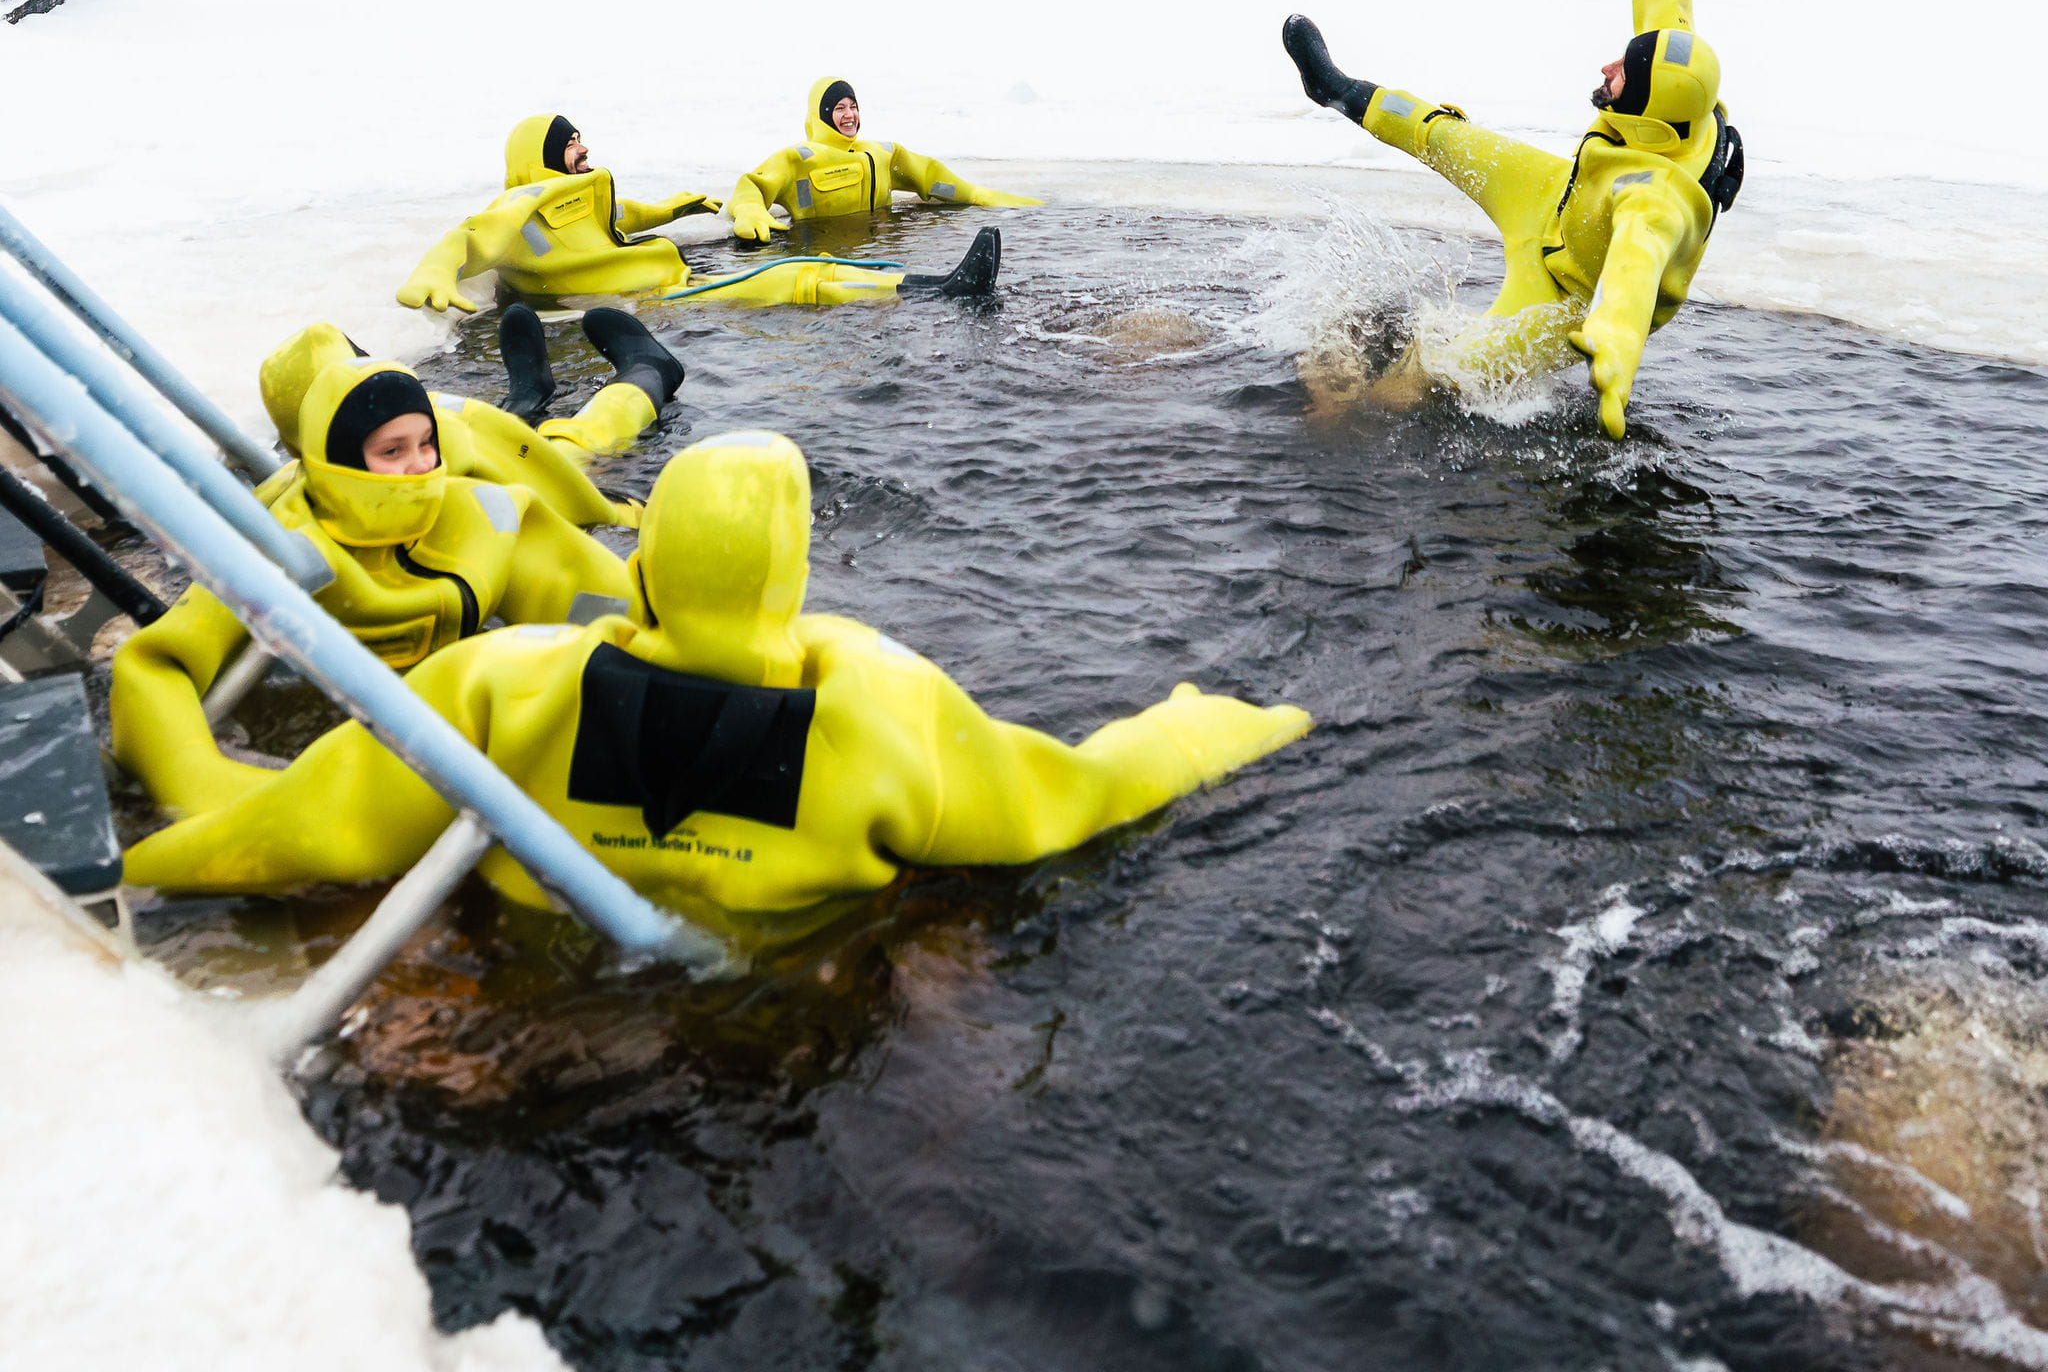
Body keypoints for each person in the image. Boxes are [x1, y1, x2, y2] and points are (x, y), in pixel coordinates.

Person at [124, 431, 1312, 928]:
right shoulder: (883, 706)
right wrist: (1212, 724)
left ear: (648, 560)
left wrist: (133, 872)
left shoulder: (501, 685)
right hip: (790, 992)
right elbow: (1078, 796)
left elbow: (307, 826)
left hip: (555, 967)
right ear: (790, 567)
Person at [1280, 0, 1743, 439]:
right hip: (1560, 195)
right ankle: (1333, 88)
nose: (1609, 67)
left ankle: (1348, 418)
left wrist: (1614, 337)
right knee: (1445, 135)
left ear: (1650, 110)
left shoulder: (1655, 204)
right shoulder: (1673, 74)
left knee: (1450, 371)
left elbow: (1633, 270)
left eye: (1622, 75)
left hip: (1566, 295)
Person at [111, 356, 644, 817]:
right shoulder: (281, 550)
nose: (418, 468)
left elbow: (607, 606)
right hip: (349, 739)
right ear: (339, 460)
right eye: (391, 452)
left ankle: (636, 380)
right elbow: (155, 667)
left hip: (452, 713)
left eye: (425, 445)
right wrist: (213, 787)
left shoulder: (480, 515)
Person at [399, 112, 1003, 312]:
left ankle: (928, 285)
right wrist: (434, 271)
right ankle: (935, 293)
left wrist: (674, 207)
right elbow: (471, 239)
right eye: (573, 141)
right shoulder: (521, 203)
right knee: (786, 279)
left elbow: (622, 217)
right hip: (650, 298)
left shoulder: (575, 193)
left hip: (665, 277)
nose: (584, 147)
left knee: (813, 261)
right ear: (548, 153)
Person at [257, 313, 680, 534]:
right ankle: (533, 395)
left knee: (573, 442)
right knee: (568, 442)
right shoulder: (284, 513)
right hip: (492, 457)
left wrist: (629, 514)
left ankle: (638, 373)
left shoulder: (443, 427)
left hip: (498, 453)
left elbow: (573, 500)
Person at [726, 77, 1040, 241]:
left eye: (853, 106)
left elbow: (931, 177)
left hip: (875, 251)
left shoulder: (880, 154)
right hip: (818, 257)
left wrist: (977, 195)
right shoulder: (799, 159)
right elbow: (751, 186)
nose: (849, 115)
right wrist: (750, 209)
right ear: (822, 116)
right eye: (839, 109)